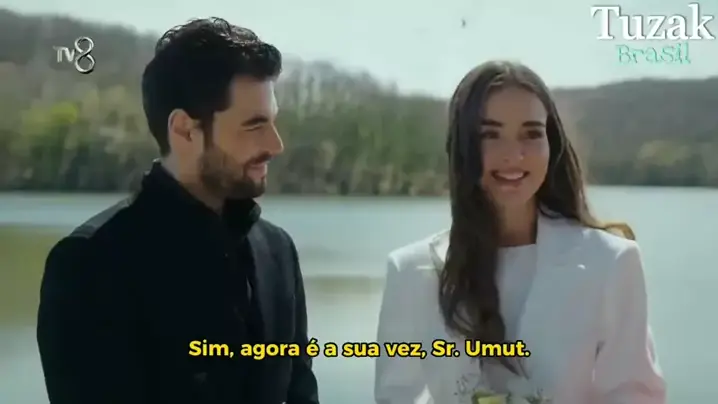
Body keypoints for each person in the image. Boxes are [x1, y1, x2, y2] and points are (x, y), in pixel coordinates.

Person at [36, 18, 319, 404]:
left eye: (272, 122)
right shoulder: (91, 264)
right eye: (255, 125)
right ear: (184, 129)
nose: (276, 144)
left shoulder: (277, 251)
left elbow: (301, 392)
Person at [374, 61, 666, 404]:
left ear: (551, 144)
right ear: (462, 147)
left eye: (531, 134)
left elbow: (635, 395)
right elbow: (398, 397)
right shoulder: (411, 270)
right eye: (490, 135)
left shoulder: (610, 261)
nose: (513, 155)